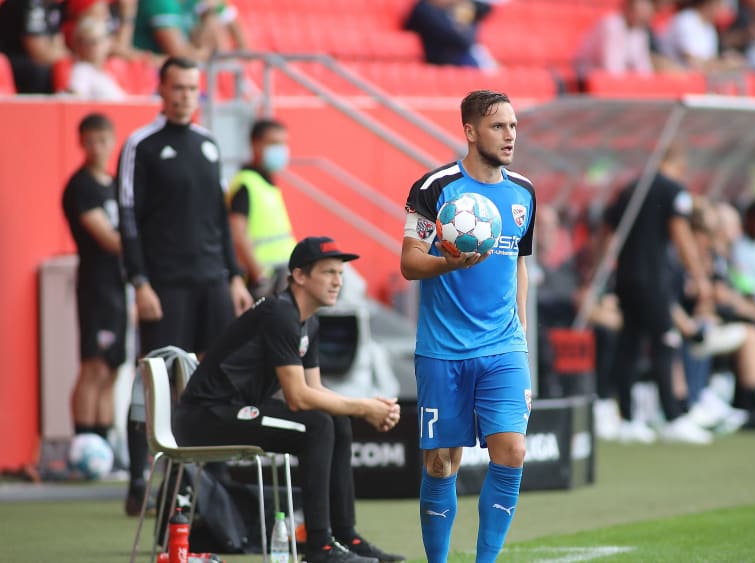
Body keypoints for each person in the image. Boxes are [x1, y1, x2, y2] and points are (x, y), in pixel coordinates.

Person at [174, 236, 404, 563]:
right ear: (299, 276)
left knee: (334, 418)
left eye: (340, 273)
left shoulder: (307, 320)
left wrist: (367, 405)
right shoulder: (279, 313)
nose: (338, 281)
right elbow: (298, 398)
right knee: (317, 425)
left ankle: (345, 536)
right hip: (205, 418)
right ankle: (319, 546)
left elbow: (316, 390)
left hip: (234, 411)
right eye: (327, 272)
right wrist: (365, 408)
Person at [400, 90, 535, 563]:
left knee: (513, 450)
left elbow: (519, 265)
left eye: (514, 126)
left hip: (503, 347)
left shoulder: (523, 193)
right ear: (471, 131)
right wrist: (450, 262)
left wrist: (520, 332)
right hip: (443, 349)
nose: (510, 134)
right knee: (440, 464)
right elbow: (409, 264)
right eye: (499, 126)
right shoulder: (434, 189)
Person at [117, 55, 253, 515]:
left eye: (192, 89)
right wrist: (139, 281)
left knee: (213, 380)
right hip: (165, 285)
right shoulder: (141, 144)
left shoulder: (208, 144)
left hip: (212, 282)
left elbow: (218, 214)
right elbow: (128, 219)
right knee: (155, 382)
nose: (185, 97)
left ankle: (208, 479)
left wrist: (234, 275)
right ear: (162, 89)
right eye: (177, 88)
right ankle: (140, 482)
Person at [600, 145, 714, 445]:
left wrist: (600, 272)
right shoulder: (672, 190)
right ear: (677, 161)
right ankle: (674, 417)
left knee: (630, 344)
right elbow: (680, 233)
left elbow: (608, 232)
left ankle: (627, 419)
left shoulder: (630, 190)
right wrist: (699, 275)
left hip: (626, 277)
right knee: (666, 342)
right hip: (652, 278)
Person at [61, 112, 127, 443]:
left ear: (112, 141)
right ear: (82, 143)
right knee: (94, 365)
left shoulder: (115, 184)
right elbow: (108, 239)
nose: (97, 148)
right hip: (96, 284)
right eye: (90, 141)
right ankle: (84, 442)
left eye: (102, 140)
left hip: (119, 284)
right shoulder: (81, 186)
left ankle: (104, 442)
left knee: (113, 367)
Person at [227, 118, 297, 299]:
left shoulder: (267, 181)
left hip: (282, 271)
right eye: (274, 143)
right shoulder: (246, 183)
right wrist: (259, 275)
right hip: (263, 278)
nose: (281, 149)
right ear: (255, 144)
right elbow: (238, 234)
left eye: (283, 143)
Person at [574, 0, 657, 77]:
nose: (643, 17)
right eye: (640, 12)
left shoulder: (640, 31)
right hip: (585, 77)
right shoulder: (611, 25)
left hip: (612, 78)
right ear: (629, 9)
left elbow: (644, 70)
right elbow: (612, 68)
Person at [0, 0, 68, 93]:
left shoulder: (54, 6)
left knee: (71, 67)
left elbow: (58, 44)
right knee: (39, 71)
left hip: (33, 58)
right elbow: (37, 52)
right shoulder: (31, 4)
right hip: (10, 58)